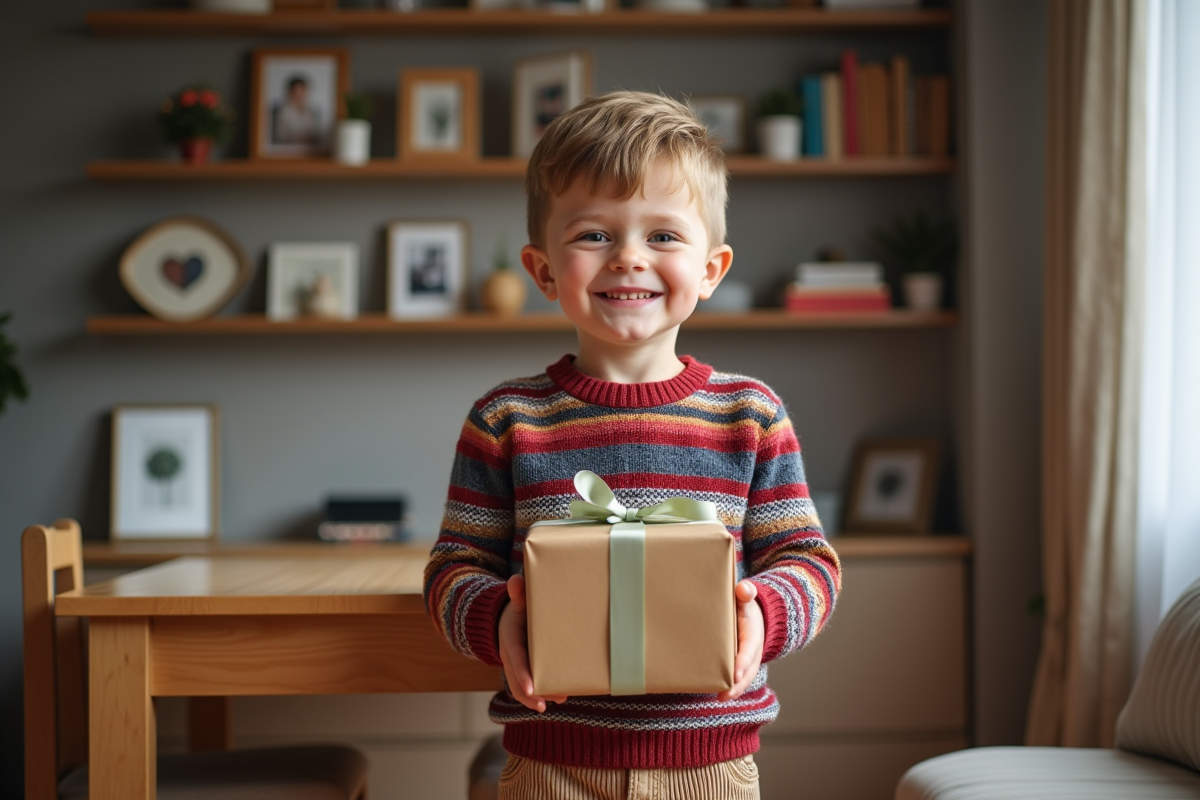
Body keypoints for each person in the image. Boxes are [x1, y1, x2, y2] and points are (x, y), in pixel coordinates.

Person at [424, 90, 841, 800]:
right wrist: (498, 619)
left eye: (664, 237)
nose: (628, 259)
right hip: (550, 763)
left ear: (711, 269)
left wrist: (763, 612)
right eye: (594, 235)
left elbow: (809, 563)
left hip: (711, 767)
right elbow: (451, 569)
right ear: (543, 270)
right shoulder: (506, 419)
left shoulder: (751, 415)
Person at [274, 75, 320, 146]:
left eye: (302, 91)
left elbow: (316, 133)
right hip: (289, 149)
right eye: (297, 91)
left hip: (310, 148)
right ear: (290, 91)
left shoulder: (310, 111)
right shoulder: (282, 112)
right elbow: (281, 135)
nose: (300, 94)